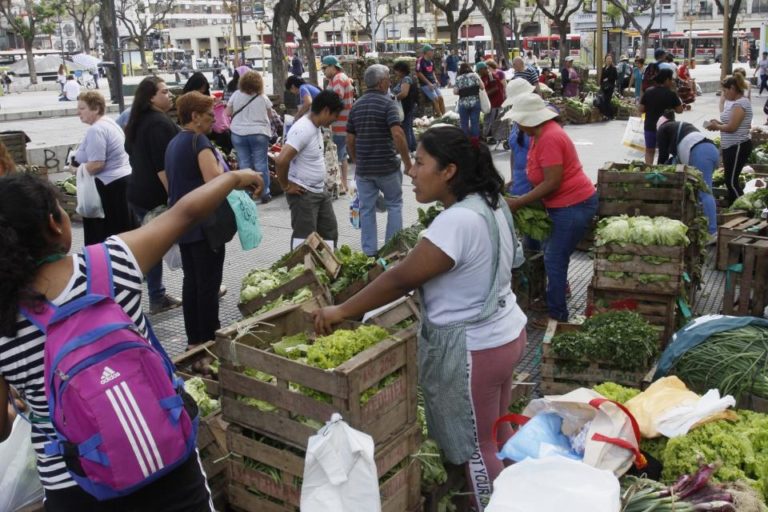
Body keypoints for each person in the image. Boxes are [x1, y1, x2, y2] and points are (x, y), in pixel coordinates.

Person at [0, 168, 261, 512]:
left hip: (76, 485)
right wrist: (234, 178)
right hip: (163, 459)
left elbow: (1, 431)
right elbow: (185, 212)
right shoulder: (110, 262)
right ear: (54, 224)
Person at [313, 126, 527, 511]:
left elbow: (399, 280)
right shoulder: (492, 203)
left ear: (449, 171)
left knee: (476, 449)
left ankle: (497, 505)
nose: (411, 171)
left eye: (422, 162)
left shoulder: (457, 221)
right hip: (507, 333)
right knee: (500, 430)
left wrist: (342, 310)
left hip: (475, 350)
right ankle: (522, 494)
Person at [166, 92, 261, 349]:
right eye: (209, 115)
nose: (213, 119)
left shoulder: (175, 143)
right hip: (204, 227)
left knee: (192, 283)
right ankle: (209, 341)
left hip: (185, 225)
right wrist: (240, 175)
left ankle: (194, 341)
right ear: (194, 117)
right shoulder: (199, 142)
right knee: (207, 285)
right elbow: (216, 182)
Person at [504, 93, 598, 328]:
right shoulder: (538, 134)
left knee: (554, 258)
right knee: (552, 255)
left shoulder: (550, 137)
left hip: (572, 204)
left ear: (529, 119)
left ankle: (557, 316)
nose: (516, 124)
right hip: (562, 204)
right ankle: (553, 303)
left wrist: (520, 202)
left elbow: (552, 182)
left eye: (518, 120)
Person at [124, 76, 182, 315]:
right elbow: (162, 168)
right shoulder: (157, 123)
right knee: (181, 240)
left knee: (154, 247)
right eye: (164, 91)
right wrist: (176, 198)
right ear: (151, 97)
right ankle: (200, 285)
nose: (169, 95)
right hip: (154, 196)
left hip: (138, 192)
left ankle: (156, 295)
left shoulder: (138, 120)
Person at [347, 64, 413, 256]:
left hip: (365, 170)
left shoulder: (356, 106)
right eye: (388, 79)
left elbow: (350, 139)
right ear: (382, 82)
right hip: (387, 167)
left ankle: (369, 252)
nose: (390, 82)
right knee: (394, 204)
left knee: (367, 209)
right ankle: (392, 251)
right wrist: (408, 163)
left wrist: (357, 161)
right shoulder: (388, 104)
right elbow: (398, 135)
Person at [276, 91, 343, 247]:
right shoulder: (303, 129)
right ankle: (302, 271)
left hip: (320, 191)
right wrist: (286, 186)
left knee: (329, 234)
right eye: (335, 115)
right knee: (305, 241)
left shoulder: (315, 126)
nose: (335, 120)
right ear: (326, 110)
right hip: (304, 194)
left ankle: (326, 268)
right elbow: (281, 161)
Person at [74, 91, 134, 245]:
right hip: (120, 182)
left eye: (82, 108)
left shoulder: (97, 130)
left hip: (109, 187)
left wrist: (77, 170)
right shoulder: (109, 123)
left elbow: (97, 164)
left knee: (108, 235)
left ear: (95, 108)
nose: (78, 112)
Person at [656, 113, 718, 242]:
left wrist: (656, 174)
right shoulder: (682, 128)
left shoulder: (662, 130)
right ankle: (707, 228)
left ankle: (712, 232)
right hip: (711, 150)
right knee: (704, 191)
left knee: (705, 193)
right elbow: (674, 159)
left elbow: (662, 157)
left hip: (700, 153)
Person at [705, 74, 753, 205]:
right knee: (730, 180)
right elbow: (729, 124)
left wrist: (717, 126)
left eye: (725, 91)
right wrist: (718, 123)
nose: (724, 94)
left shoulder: (741, 103)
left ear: (732, 88)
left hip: (738, 145)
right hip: (730, 145)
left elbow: (732, 127)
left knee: (731, 181)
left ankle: (744, 208)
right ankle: (734, 206)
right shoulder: (735, 103)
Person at [226, 71, 274, 203]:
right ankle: (264, 193)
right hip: (259, 133)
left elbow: (228, 112)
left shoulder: (235, 95)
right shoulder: (262, 97)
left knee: (244, 164)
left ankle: (247, 193)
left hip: (238, 133)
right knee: (261, 163)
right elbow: (270, 115)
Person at [322, 55, 355, 195]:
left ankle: (341, 184)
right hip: (342, 123)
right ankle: (343, 184)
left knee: (337, 155)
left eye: (325, 67)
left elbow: (336, 98)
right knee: (341, 155)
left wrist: (327, 115)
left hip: (340, 124)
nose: (323, 70)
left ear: (332, 67)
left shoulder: (338, 79)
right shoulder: (339, 78)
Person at [639, 69, 684, 165]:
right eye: (671, 79)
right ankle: (661, 173)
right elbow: (680, 110)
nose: (672, 81)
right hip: (666, 128)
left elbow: (641, 109)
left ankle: (649, 172)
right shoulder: (671, 94)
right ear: (667, 80)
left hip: (650, 126)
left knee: (649, 151)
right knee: (663, 153)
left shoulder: (648, 91)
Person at [501, 79, 536, 196]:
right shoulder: (517, 119)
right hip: (518, 180)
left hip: (534, 184)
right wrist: (512, 178)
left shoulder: (539, 116)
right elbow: (514, 151)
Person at [478, 60, 507, 144]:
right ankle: (486, 136)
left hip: (496, 102)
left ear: (483, 69)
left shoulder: (491, 76)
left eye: (480, 70)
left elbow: (495, 88)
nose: (479, 72)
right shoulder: (483, 77)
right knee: (488, 120)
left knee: (494, 121)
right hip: (490, 103)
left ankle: (494, 138)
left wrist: (484, 94)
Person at [454, 63, 484, 140]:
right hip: (475, 102)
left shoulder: (458, 78)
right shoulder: (475, 75)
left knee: (464, 124)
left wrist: (463, 91)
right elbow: (482, 87)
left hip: (463, 103)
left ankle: (466, 141)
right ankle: (475, 142)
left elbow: (455, 92)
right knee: (475, 123)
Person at [392, 60, 417, 152]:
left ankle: (408, 148)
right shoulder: (406, 79)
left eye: (396, 70)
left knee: (406, 129)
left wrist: (393, 99)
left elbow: (404, 94)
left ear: (401, 70)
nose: (395, 73)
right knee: (409, 127)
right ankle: (413, 147)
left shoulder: (406, 79)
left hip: (406, 107)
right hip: (408, 106)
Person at [416, 45, 446, 117]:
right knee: (435, 98)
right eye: (431, 50)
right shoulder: (420, 60)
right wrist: (429, 83)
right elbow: (418, 73)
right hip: (425, 84)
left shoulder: (431, 60)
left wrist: (436, 80)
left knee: (441, 98)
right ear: (426, 52)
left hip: (433, 83)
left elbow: (432, 72)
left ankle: (445, 116)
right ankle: (440, 116)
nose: (433, 52)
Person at [599, 54, 617, 120]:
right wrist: (601, 84)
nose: (609, 60)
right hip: (604, 87)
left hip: (610, 87)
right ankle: (606, 115)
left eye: (610, 59)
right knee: (603, 101)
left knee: (607, 100)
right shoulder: (604, 68)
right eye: (607, 59)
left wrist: (607, 79)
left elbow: (615, 77)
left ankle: (610, 115)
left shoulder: (613, 68)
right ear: (605, 60)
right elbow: (601, 78)